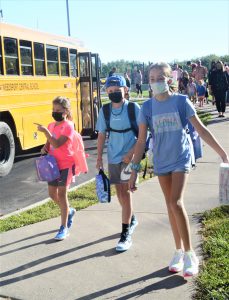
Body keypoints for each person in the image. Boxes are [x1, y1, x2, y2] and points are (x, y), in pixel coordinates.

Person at [129, 62, 228, 277]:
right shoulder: (147, 108)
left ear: (169, 80)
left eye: (159, 78)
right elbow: (141, 141)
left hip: (181, 157)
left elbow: (200, 130)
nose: (155, 82)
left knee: (176, 202)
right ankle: (178, 251)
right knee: (169, 205)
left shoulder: (181, 102)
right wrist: (134, 171)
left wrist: (223, 153)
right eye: (152, 78)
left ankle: (191, 254)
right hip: (161, 161)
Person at [96, 75, 140, 252]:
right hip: (113, 157)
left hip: (131, 157)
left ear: (125, 90)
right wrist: (99, 157)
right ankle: (131, 218)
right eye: (110, 91)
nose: (114, 93)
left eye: (117, 90)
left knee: (127, 191)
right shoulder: (104, 110)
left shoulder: (133, 108)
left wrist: (131, 154)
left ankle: (125, 233)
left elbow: (143, 136)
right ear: (106, 91)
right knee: (120, 193)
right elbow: (101, 135)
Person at [35, 97, 77, 241]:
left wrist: (46, 132)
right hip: (52, 165)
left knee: (62, 194)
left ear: (66, 111)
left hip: (65, 164)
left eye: (58, 110)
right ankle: (69, 211)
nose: (55, 113)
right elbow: (49, 143)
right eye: (53, 110)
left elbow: (58, 144)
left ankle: (64, 227)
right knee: (53, 195)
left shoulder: (69, 126)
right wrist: (44, 148)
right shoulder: (51, 125)